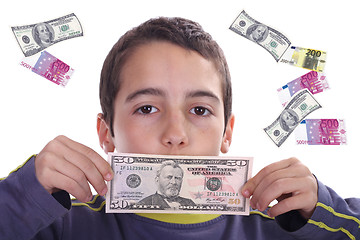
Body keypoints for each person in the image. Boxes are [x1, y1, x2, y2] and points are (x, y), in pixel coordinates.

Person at [0, 16, 359, 240]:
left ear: (227, 133)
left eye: (200, 109)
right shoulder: (62, 223)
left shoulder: (285, 223)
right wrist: (25, 191)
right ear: (106, 132)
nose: (175, 133)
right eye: (147, 108)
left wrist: (328, 211)